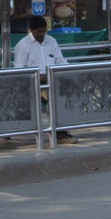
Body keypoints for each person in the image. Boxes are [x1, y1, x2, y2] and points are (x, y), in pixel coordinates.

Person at [13, 15, 77, 144]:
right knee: (54, 98)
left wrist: (64, 71)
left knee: (65, 95)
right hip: (33, 82)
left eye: (44, 30)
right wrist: (37, 76)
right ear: (31, 30)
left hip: (52, 78)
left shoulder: (52, 41)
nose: (42, 34)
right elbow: (20, 69)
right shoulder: (23, 45)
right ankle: (58, 132)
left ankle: (59, 130)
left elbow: (60, 60)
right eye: (39, 31)